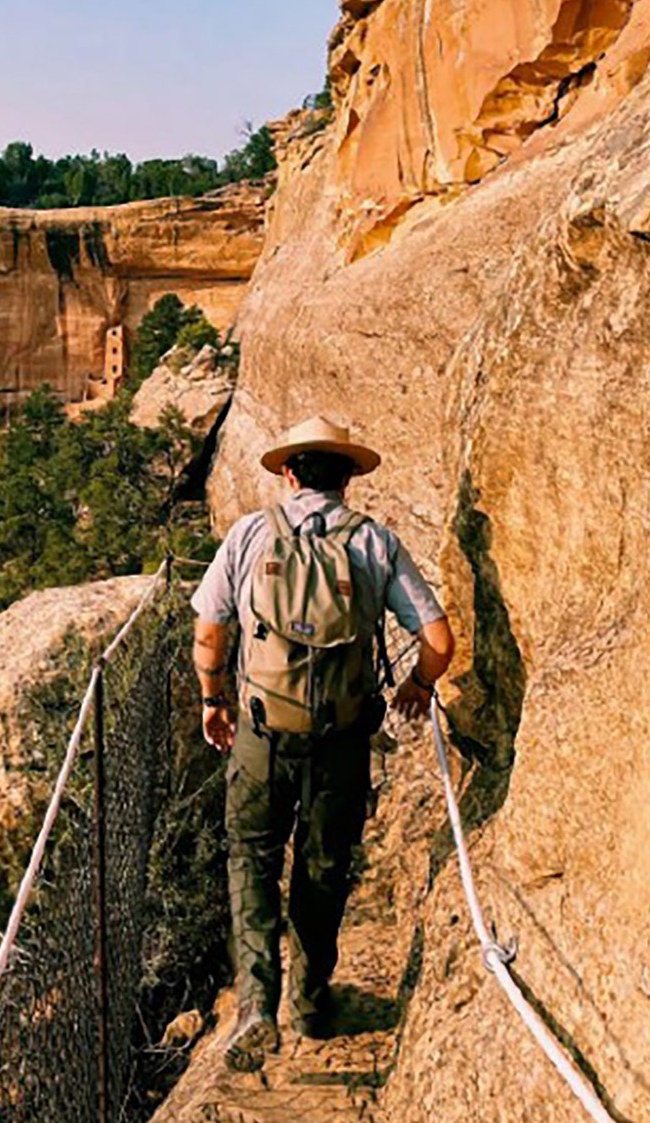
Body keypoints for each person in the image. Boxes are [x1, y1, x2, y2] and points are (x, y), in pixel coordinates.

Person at [190, 415, 454, 1071]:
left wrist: (212, 698)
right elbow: (440, 641)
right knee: (324, 865)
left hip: (260, 731)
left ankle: (257, 1003)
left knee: (251, 858)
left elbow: (210, 631)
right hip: (340, 741)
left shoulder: (250, 534)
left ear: (287, 474)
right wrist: (418, 686)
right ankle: (310, 1002)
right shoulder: (375, 544)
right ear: (348, 480)